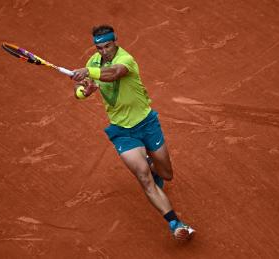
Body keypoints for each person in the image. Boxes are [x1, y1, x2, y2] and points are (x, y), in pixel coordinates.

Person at [71, 25, 194, 241]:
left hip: (147, 124)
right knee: (144, 178)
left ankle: (152, 165)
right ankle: (175, 223)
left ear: (115, 41)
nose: (103, 51)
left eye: (107, 46)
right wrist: (85, 90)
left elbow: (113, 74)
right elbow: (80, 90)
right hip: (121, 131)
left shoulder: (126, 59)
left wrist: (90, 73)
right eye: (99, 48)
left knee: (166, 175)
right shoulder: (93, 62)